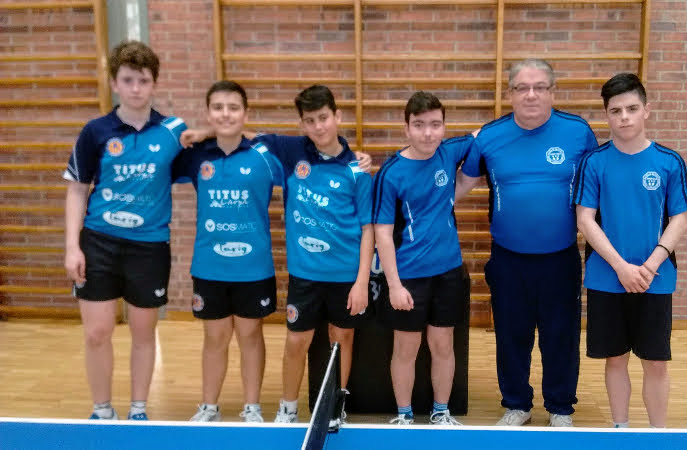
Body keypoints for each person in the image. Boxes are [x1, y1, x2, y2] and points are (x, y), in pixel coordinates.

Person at [181, 85, 373, 424]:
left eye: (324, 118)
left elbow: (368, 228)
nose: (318, 126)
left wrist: (361, 281)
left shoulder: (357, 169)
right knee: (295, 342)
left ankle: (335, 407)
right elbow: (241, 133)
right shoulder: (291, 151)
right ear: (301, 124)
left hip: (345, 274)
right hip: (304, 274)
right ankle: (287, 407)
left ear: (338, 116)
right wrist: (204, 133)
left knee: (342, 338)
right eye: (310, 120)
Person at [455, 59, 597, 427]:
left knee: (561, 336)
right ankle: (517, 404)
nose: (531, 94)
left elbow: (599, 183)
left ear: (552, 91)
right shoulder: (489, 137)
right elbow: (459, 186)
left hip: (560, 258)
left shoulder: (578, 132)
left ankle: (560, 407)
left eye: (539, 87)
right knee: (510, 334)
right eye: (522, 87)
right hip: (508, 259)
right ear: (510, 93)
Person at [63, 40, 187, 421]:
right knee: (97, 332)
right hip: (98, 242)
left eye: (144, 81)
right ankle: (102, 410)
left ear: (154, 84)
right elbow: (77, 189)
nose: (136, 88)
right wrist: (72, 247)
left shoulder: (173, 131)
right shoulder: (95, 131)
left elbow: (214, 148)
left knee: (143, 333)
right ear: (114, 83)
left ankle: (138, 410)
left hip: (149, 247)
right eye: (128, 80)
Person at [574, 73, 687, 428]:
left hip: (655, 280)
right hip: (607, 278)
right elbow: (585, 219)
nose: (624, 117)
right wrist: (621, 267)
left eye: (631, 108)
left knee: (655, 361)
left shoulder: (669, 161)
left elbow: (680, 218)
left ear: (646, 110)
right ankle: (621, 429)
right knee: (615, 358)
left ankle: (658, 434)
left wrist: (650, 265)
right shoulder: (594, 162)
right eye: (616, 111)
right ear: (607, 115)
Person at [172, 81, 282, 423]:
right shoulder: (195, 156)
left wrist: (356, 158)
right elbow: (158, 162)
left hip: (254, 267)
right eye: (218, 107)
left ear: (245, 113)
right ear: (208, 113)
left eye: (233, 107)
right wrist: (204, 134)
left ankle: (252, 407)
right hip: (210, 266)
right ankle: (209, 406)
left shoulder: (266, 155)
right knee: (215, 337)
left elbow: (311, 156)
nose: (226, 114)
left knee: (250, 336)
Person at [372, 91, 473, 426]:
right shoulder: (391, 173)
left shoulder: (450, 151)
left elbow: (484, 136)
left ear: (444, 126)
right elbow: (382, 233)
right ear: (407, 128)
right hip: (409, 276)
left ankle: (441, 411)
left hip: (448, 272)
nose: (428, 133)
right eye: (419, 125)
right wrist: (394, 285)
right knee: (406, 348)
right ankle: (404, 415)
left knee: (443, 344)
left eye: (435, 124)